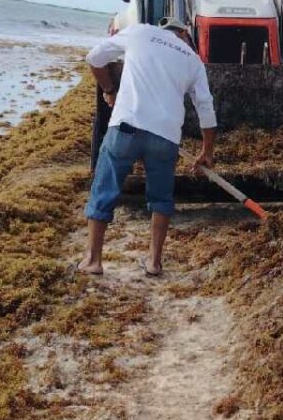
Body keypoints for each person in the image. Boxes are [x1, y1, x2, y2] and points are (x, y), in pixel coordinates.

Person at [79, 17, 217, 277]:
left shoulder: (140, 33)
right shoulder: (193, 59)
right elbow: (206, 109)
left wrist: (109, 89)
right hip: (165, 137)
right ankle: (154, 262)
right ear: (185, 34)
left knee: (104, 188)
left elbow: (94, 58)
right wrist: (207, 152)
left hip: (126, 126)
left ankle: (93, 260)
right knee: (161, 199)